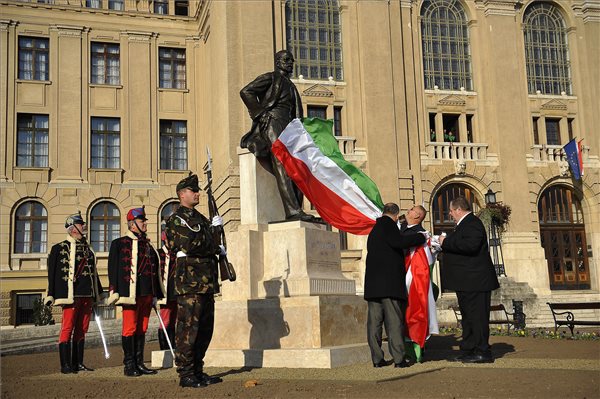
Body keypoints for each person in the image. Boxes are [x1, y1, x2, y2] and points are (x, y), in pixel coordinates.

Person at [240, 50, 314, 222]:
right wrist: (260, 113)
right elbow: (246, 91)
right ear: (278, 62)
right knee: (282, 163)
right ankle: (293, 211)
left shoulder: (291, 85)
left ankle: (297, 209)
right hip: (273, 123)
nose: (290, 63)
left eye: (291, 60)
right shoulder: (271, 78)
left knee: (298, 168)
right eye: (286, 60)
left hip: (290, 128)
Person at [165, 174, 224, 388]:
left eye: (198, 190)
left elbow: (208, 240)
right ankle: (186, 373)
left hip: (206, 281)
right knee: (188, 329)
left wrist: (216, 229)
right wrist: (215, 246)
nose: (198, 193)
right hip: (189, 282)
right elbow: (188, 244)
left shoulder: (201, 218)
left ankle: (198, 370)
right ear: (182, 194)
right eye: (193, 191)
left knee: (205, 329)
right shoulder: (175, 220)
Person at [364, 203, 426, 368]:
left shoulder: (375, 229)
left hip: (373, 286)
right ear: (396, 215)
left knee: (374, 324)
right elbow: (398, 242)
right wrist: (420, 237)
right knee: (394, 322)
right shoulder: (389, 225)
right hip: (389, 285)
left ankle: (377, 359)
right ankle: (399, 359)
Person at [439, 196, 499, 363]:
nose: (450, 214)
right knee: (468, 317)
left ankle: (482, 351)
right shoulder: (463, 225)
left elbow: (471, 246)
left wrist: (446, 242)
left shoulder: (472, 223)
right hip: (467, 281)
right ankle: (469, 349)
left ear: (459, 209)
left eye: (451, 211)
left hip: (476, 281)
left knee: (477, 317)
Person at [107, 206, 165, 377]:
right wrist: (114, 290)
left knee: (142, 328)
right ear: (132, 225)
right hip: (130, 294)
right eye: (142, 221)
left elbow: (156, 271)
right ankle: (129, 364)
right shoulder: (119, 244)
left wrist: (156, 294)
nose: (145, 223)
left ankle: (139, 363)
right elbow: (113, 269)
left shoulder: (148, 245)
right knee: (129, 329)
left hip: (147, 293)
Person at [45, 212, 103, 374]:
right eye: (81, 224)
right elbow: (52, 274)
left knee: (82, 329)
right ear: (72, 228)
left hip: (87, 294)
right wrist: (51, 293)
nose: (84, 226)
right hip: (71, 295)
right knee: (67, 328)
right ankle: (65, 365)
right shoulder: (59, 248)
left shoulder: (88, 249)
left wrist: (98, 292)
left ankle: (78, 363)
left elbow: (94, 272)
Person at [157, 227, 177, 351]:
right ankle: (164, 349)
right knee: (165, 321)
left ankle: (173, 347)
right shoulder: (159, 254)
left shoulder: (177, 253)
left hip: (177, 291)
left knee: (174, 320)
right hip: (165, 292)